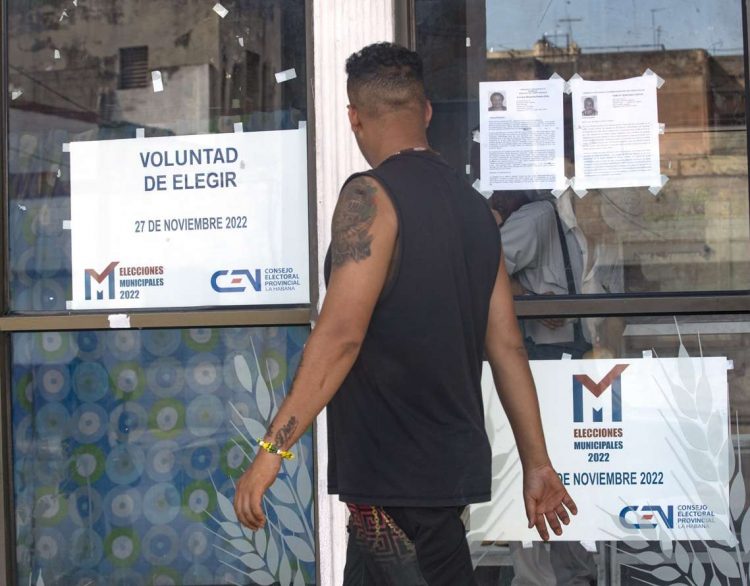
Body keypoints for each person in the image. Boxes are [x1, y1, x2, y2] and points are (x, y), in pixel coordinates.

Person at [232, 42, 576, 586]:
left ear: (353, 117)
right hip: (438, 482)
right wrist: (537, 463)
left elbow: (341, 335)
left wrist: (274, 446)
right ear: (428, 111)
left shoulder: (370, 197)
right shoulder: (477, 212)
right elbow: (507, 346)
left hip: (395, 489)